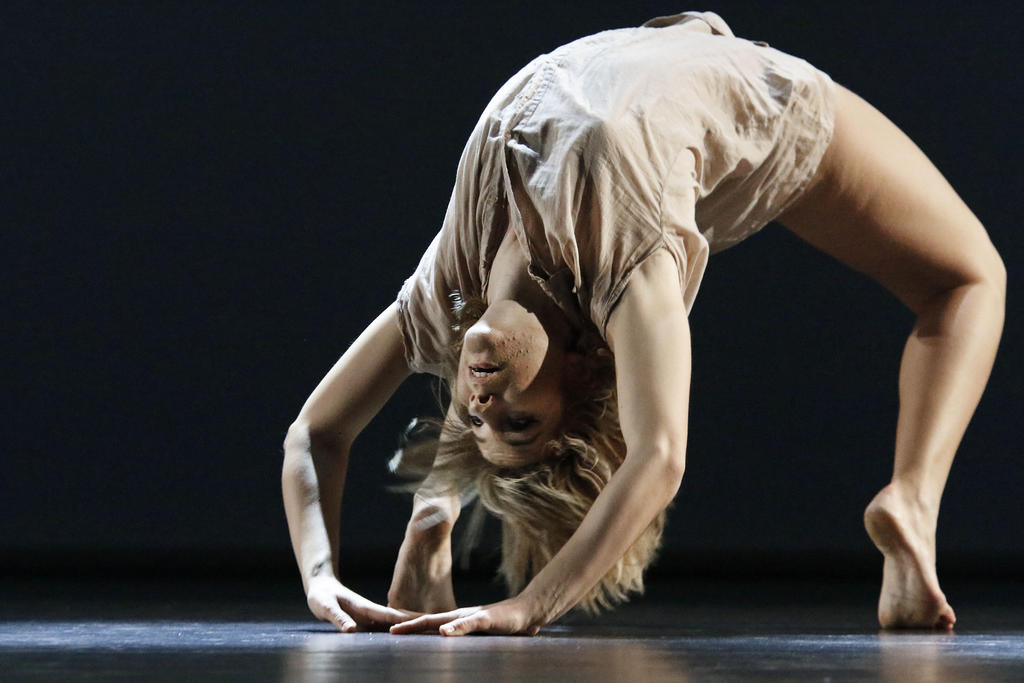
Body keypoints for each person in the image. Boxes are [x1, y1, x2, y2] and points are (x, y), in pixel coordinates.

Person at [281, 11, 1005, 636]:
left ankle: (436, 515)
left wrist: (320, 576)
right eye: (519, 423)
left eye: (477, 420)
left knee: (482, 372)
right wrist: (532, 605)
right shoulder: (625, 268)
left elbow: (316, 434)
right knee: (971, 277)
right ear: (589, 368)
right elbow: (658, 455)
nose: (480, 404)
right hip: (757, 105)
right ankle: (912, 498)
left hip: (674, 88)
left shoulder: (451, 290)